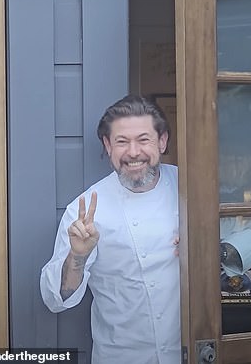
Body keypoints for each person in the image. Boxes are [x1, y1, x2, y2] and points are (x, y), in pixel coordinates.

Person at [40, 95, 180, 364]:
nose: (133, 152)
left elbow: (247, 234)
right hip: (121, 356)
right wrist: (78, 256)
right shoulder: (85, 210)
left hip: (189, 352)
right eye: (122, 142)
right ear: (108, 146)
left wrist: (211, 248)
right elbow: (55, 299)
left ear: (162, 141)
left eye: (143, 139)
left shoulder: (191, 186)